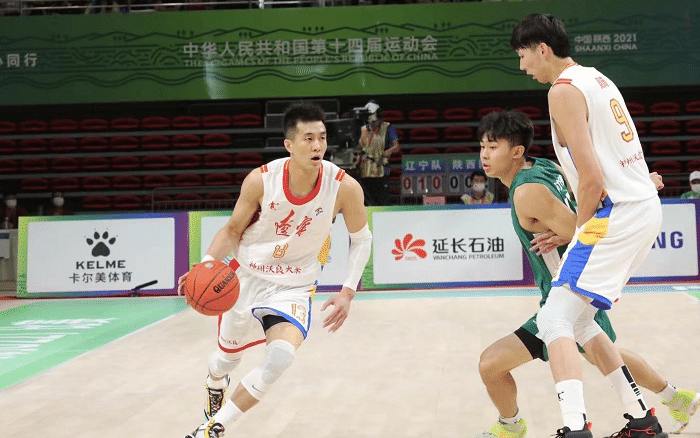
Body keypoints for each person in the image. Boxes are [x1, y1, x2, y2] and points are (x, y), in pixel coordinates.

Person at [474, 110, 700, 438]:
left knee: (494, 363)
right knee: (601, 354)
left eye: (493, 147)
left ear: (517, 151)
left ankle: (536, 426)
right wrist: (639, 187)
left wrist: (567, 230)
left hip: (569, 293)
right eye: (482, 146)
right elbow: (589, 193)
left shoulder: (527, 192)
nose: (484, 154)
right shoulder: (545, 166)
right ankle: (666, 404)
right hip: (569, 291)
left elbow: (583, 232)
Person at [510, 13, 671, 438]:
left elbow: (593, 179)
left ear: (542, 49)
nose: (522, 66)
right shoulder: (598, 79)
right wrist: (641, 183)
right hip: (640, 207)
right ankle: (643, 421)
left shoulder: (562, 91)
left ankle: (575, 427)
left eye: (523, 56)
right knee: (581, 322)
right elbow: (623, 153)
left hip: (615, 215)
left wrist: (581, 233)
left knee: (553, 319)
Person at [177, 102, 372, 438]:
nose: (317, 146)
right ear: (289, 144)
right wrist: (208, 264)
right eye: (308, 138)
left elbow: (362, 238)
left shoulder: (344, 187)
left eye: (322, 138)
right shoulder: (261, 180)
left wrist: (348, 291)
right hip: (246, 275)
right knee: (225, 360)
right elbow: (232, 230)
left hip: (294, 285)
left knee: (281, 356)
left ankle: (212, 428)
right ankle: (214, 382)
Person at [356, 100, 400, 206]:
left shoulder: (387, 128)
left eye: (372, 114)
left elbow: (396, 147)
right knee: (366, 205)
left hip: (381, 172)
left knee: (383, 204)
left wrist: (388, 151)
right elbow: (358, 148)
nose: (370, 117)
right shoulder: (363, 129)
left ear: (378, 114)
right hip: (365, 172)